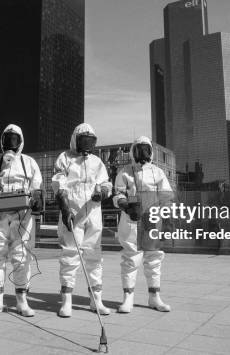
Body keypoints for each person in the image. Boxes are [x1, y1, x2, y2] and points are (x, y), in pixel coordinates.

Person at [0, 124, 43, 317]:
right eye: (8, 139)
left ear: (21, 142)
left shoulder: (29, 162)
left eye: (15, 140)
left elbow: (37, 185)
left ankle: (21, 300)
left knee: (22, 257)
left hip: (22, 217)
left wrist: (37, 197)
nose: (11, 144)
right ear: (2, 141)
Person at [52, 123, 112, 317]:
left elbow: (105, 183)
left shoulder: (97, 161)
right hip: (73, 211)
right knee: (70, 256)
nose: (87, 144)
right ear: (75, 140)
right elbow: (58, 184)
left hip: (93, 212)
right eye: (83, 140)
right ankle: (66, 301)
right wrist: (64, 208)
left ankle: (97, 301)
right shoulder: (65, 158)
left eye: (90, 141)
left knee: (95, 255)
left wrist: (102, 193)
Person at [113, 136, 173, 313]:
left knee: (154, 258)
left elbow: (167, 197)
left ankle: (154, 297)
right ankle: (128, 298)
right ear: (133, 151)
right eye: (140, 149)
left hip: (153, 222)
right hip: (131, 221)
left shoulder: (158, 172)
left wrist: (167, 218)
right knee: (131, 259)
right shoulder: (125, 172)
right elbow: (118, 194)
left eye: (146, 149)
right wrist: (125, 206)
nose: (143, 153)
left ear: (151, 151)